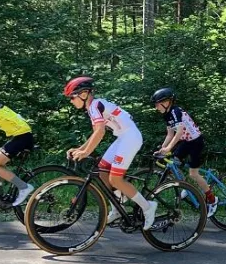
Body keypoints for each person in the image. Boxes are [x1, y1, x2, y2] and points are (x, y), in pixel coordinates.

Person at [63, 77, 157, 230]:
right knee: (102, 172)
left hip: (131, 137)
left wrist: (86, 152)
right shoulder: (93, 106)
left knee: (115, 179)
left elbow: (100, 132)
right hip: (122, 137)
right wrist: (81, 149)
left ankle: (148, 207)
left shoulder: (95, 106)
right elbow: (96, 133)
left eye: (72, 97)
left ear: (84, 94)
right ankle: (118, 207)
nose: (71, 101)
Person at [151, 88, 217, 217]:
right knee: (173, 163)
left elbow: (179, 132)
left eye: (157, 104)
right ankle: (188, 187)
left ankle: (212, 200)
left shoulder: (175, 111)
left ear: (167, 102)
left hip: (196, 142)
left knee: (193, 173)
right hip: (186, 142)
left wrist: (168, 148)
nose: (156, 107)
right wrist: (162, 149)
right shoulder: (167, 115)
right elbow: (170, 134)